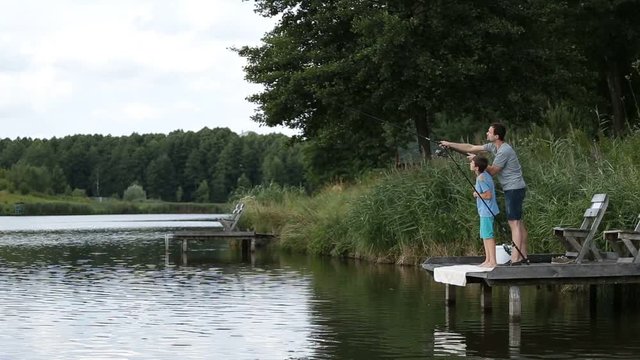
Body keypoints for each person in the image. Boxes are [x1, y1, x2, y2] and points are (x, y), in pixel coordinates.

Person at [439, 123, 528, 265]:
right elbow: (471, 147)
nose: (487, 133)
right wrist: (450, 144)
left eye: (489, 132)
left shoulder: (504, 151)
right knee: (518, 222)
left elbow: (491, 171)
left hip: (514, 188)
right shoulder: (493, 147)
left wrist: (477, 161)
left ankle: (516, 259)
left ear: (497, 136)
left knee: (514, 222)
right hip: (511, 188)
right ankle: (523, 256)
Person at [470, 155, 500, 267]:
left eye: (472, 163)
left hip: (487, 211)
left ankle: (493, 262)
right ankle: (488, 260)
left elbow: (488, 195)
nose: (470, 164)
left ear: (477, 167)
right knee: (484, 235)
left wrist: (477, 194)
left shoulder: (481, 178)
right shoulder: (485, 175)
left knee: (488, 236)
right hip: (484, 211)